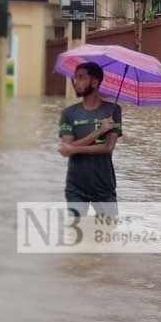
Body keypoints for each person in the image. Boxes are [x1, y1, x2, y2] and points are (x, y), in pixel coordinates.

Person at [58, 62, 123, 218]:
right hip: (76, 187)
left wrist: (73, 148)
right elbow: (65, 150)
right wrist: (99, 131)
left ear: (94, 82)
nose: (76, 82)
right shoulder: (69, 113)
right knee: (76, 236)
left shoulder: (112, 110)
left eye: (81, 78)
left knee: (107, 235)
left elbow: (108, 147)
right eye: (75, 78)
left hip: (104, 186)